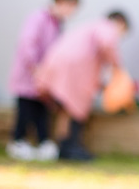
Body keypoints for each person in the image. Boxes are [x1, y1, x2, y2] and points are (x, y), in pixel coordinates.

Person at [36, 11, 129, 161]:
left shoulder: (90, 26)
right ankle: (72, 147)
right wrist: (117, 66)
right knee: (76, 107)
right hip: (74, 69)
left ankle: (64, 147)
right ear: (120, 23)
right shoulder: (107, 27)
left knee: (66, 108)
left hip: (59, 63)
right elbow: (107, 43)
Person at [6, 0, 79, 161]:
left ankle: (43, 142)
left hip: (45, 77)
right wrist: (35, 67)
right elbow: (27, 42)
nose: (71, 13)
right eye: (70, 7)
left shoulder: (57, 24)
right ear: (61, 1)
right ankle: (18, 142)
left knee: (42, 109)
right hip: (29, 73)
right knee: (26, 107)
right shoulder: (38, 18)